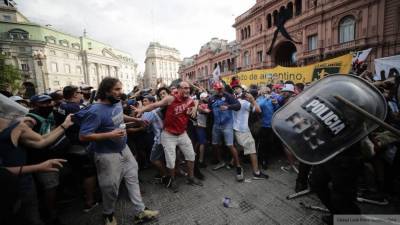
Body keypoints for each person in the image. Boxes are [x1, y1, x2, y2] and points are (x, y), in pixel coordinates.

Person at [78, 77, 158, 225]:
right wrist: (110, 135)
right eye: (116, 89)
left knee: (132, 178)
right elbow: (83, 136)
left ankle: (140, 211)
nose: (120, 92)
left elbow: (119, 116)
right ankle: (108, 214)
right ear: (106, 90)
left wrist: (136, 120)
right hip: (106, 155)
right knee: (111, 187)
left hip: (124, 149)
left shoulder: (116, 103)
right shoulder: (95, 111)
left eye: (120, 89)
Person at [0, 115, 73, 225]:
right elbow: (41, 140)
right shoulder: (17, 127)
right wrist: (39, 167)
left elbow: (41, 140)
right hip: (16, 188)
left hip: (23, 185)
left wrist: (64, 125)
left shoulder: (15, 127)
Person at [135, 81, 203, 193]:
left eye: (188, 88)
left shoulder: (189, 100)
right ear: (179, 89)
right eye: (184, 88)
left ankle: (191, 178)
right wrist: (141, 109)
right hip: (168, 135)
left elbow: (196, 101)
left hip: (182, 134)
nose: (187, 90)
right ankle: (172, 180)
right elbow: (155, 105)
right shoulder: (170, 99)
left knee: (191, 156)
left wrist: (195, 107)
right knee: (171, 161)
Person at [57, 85, 98, 212]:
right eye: (80, 92)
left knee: (78, 172)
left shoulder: (61, 106)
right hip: (80, 144)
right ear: (75, 94)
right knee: (88, 173)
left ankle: (82, 194)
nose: (82, 94)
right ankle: (89, 202)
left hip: (68, 143)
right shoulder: (76, 108)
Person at [209, 81, 244, 182]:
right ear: (215, 89)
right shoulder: (211, 98)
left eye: (222, 89)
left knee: (230, 145)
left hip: (227, 124)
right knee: (215, 144)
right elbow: (210, 109)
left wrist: (228, 106)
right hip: (216, 125)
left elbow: (238, 106)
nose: (221, 91)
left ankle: (238, 167)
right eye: (218, 89)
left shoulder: (228, 96)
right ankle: (221, 162)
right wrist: (205, 110)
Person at [232, 85, 270, 179]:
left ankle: (234, 164)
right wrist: (252, 100)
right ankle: (256, 173)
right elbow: (258, 110)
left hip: (235, 129)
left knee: (239, 148)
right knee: (252, 151)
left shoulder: (235, 101)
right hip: (243, 130)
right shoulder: (245, 103)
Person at [256, 86, 280, 169]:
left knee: (269, 144)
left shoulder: (271, 99)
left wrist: (276, 103)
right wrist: (266, 98)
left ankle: (266, 160)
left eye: (268, 92)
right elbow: (259, 106)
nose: (267, 93)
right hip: (263, 125)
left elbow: (277, 110)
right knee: (262, 144)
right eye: (265, 92)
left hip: (271, 125)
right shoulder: (259, 99)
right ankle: (260, 159)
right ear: (262, 92)